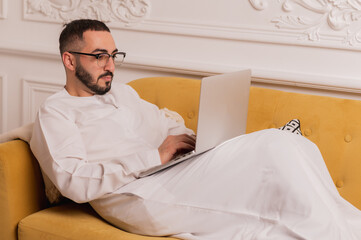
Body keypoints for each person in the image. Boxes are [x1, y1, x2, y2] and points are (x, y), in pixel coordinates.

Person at [30, 19, 361, 240]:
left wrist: (194, 140)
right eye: (99, 56)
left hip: (171, 173)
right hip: (135, 195)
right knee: (275, 147)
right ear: (69, 61)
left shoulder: (123, 93)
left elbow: (163, 121)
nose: (111, 66)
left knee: (299, 148)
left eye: (114, 55)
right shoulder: (56, 113)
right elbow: (72, 179)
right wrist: (154, 156)